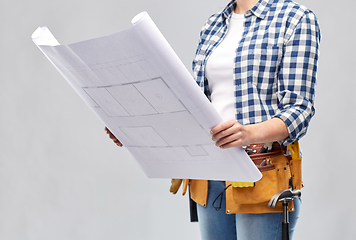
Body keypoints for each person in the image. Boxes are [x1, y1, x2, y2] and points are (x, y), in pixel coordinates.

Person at [106, 0, 320, 239]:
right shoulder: (213, 25)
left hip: (261, 173)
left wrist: (248, 133)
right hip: (209, 175)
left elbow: (299, 110)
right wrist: (134, 131)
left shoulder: (296, 18)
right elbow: (194, 109)